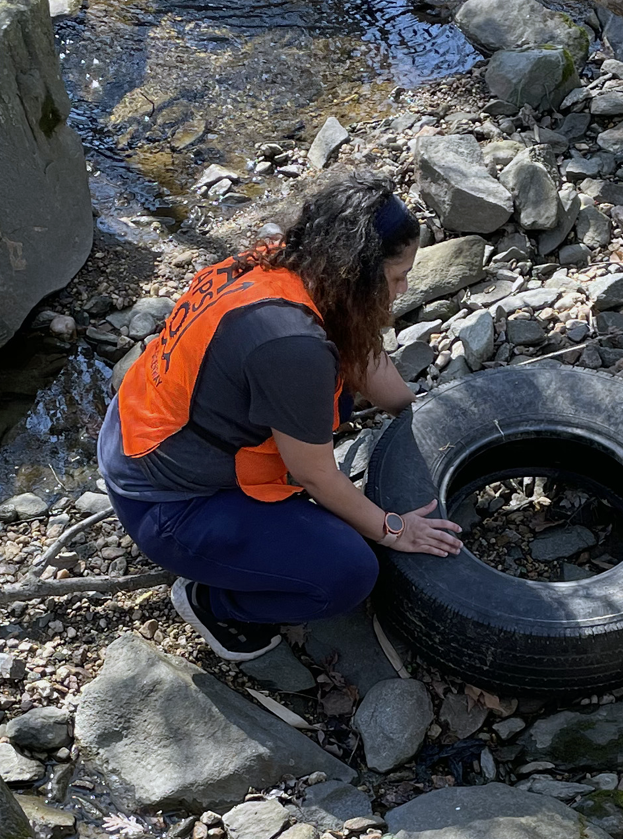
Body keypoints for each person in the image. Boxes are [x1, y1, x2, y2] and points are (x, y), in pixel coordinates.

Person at [97, 173, 462, 662]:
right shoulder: (291, 346)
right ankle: (215, 603)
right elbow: (315, 473)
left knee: (329, 410)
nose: (404, 287)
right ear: (358, 275)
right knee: (348, 571)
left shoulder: (292, 259)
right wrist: (395, 529)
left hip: (140, 429)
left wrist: (414, 412)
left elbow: (360, 345)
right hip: (170, 502)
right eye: (398, 277)